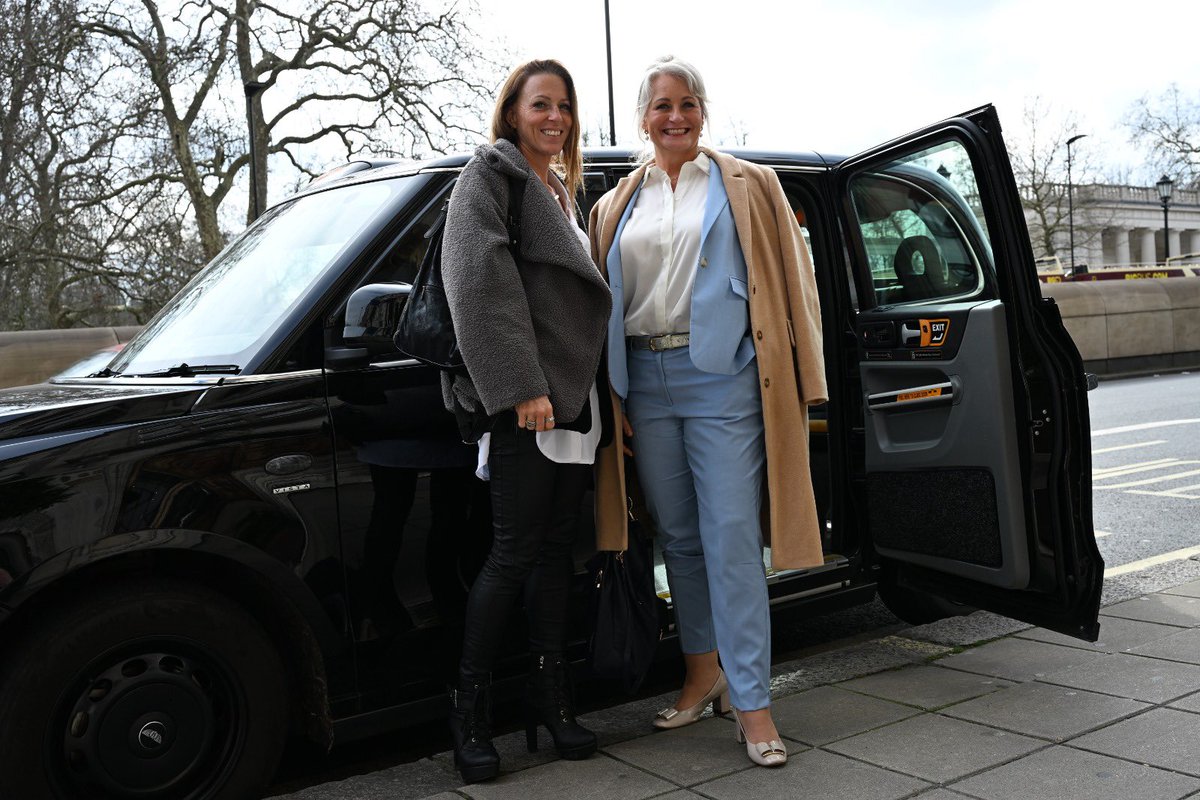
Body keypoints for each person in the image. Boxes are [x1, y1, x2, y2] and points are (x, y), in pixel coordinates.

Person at [588, 55, 827, 768]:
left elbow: (794, 277)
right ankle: (702, 670)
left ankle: (753, 705)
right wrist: (614, 393)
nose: (676, 116)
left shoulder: (749, 184)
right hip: (644, 379)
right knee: (679, 537)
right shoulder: (613, 203)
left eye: (688, 103)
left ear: (702, 111)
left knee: (729, 538)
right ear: (643, 118)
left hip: (723, 376)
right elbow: (602, 306)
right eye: (662, 105)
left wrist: (805, 377)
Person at [440, 59, 613, 783]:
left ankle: (550, 701)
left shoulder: (564, 190)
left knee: (553, 554)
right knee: (512, 552)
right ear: (512, 111)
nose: (556, 118)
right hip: (528, 401)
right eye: (542, 104)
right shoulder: (491, 177)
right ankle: (470, 716)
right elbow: (479, 286)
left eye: (565, 106)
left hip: (576, 401)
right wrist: (519, 388)